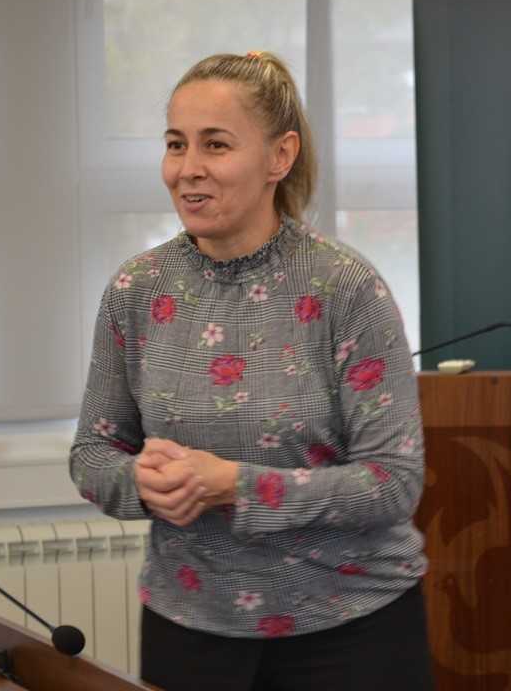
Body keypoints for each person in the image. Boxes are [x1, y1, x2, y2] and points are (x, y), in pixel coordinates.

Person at [69, 52, 433, 691]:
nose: (188, 169)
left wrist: (236, 487)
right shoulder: (135, 289)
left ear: (279, 156)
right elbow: (92, 455)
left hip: (350, 629)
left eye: (215, 145)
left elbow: (392, 484)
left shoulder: (346, 288)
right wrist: (142, 482)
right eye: (176, 145)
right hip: (188, 629)